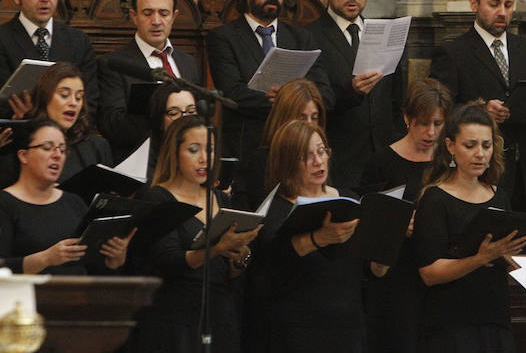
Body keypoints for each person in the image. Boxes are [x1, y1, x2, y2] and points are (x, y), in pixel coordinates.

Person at [206, 0, 334, 209]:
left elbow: (325, 95)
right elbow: (233, 94)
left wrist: (293, 98)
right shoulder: (224, 38)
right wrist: (291, 100)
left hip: (302, 160)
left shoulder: (302, 38)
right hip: (250, 158)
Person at [246, 120, 387, 353]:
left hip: (348, 327)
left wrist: (384, 251)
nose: (318, 161)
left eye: (321, 151)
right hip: (298, 330)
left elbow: (368, 269)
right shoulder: (276, 209)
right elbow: (270, 267)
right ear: (287, 163)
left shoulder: (347, 200)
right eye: (306, 156)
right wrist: (319, 238)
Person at [429, 0, 526, 208]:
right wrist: (480, 112)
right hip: (480, 173)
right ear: (474, 4)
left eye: (508, 5)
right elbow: (438, 112)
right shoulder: (452, 53)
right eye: (494, 4)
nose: (502, 12)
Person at [131, 115, 260, 353]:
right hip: (175, 317)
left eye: (210, 150)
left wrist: (239, 256)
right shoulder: (159, 197)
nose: (204, 159)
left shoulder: (221, 199)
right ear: (175, 153)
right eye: (193, 150)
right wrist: (217, 249)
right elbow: (168, 260)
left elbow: (231, 274)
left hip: (220, 313)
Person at [413, 101, 526, 352]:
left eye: (486, 146)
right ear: (450, 146)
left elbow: (506, 259)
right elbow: (429, 273)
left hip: (495, 319)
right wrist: (480, 258)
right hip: (450, 325)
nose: (480, 154)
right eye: (470, 145)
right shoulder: (435, 198)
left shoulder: (499, 196)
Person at [363, 78, 454, 353]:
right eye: (423, 123)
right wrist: (397, 226)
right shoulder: (382, 162)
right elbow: (368, 226)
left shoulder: (450, 160)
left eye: (438, 124)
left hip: (442, 274)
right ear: (407, 118)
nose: (430, 132)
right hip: (398, 277)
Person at [306, 0, 405, 189]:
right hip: (339, 165)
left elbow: (396, 103)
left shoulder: (385, 33)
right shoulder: (308, 37)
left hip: (385, 165)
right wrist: (351, 90)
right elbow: (314, 104)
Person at [0, 119, 132, 275]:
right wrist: (46, 258)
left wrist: (114, 259)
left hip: (78, 295)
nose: (57, 155)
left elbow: (92, 265)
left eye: (62, 150)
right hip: (28, 296)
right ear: (23, 155)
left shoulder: (74, 202)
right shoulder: (5, 203)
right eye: (47, 148)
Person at [98, 0, 202, 163]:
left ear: (174, 16)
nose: (156, 21)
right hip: (142, 163)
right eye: (147, 13)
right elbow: (112, 126)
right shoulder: (114, 64)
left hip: (187, 161)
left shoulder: (189, 63)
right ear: (134, 16)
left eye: (163, 13)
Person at [0, 0, 99, 116]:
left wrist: (37, 114)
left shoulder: (78, 41)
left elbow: (91, 103)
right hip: (19, 137)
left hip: (70, 138)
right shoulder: (3, 39)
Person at [0, 62, 113, 189]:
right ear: (44, 97)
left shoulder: (96, 146)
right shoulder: (20, 146)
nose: (73, 103)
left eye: (79, 97)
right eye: (64, 95)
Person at [233, 77, 326, 209]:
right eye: (301, 118)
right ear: (284, 117)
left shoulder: (322, 157)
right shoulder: (261, 162)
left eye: (314, 118)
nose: (309, 125)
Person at [145, 82, 198, 179]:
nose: (185, 118)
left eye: (191, 111)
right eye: (174, 113)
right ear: (160, 120)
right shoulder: (147, 158)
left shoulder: (206, 149)